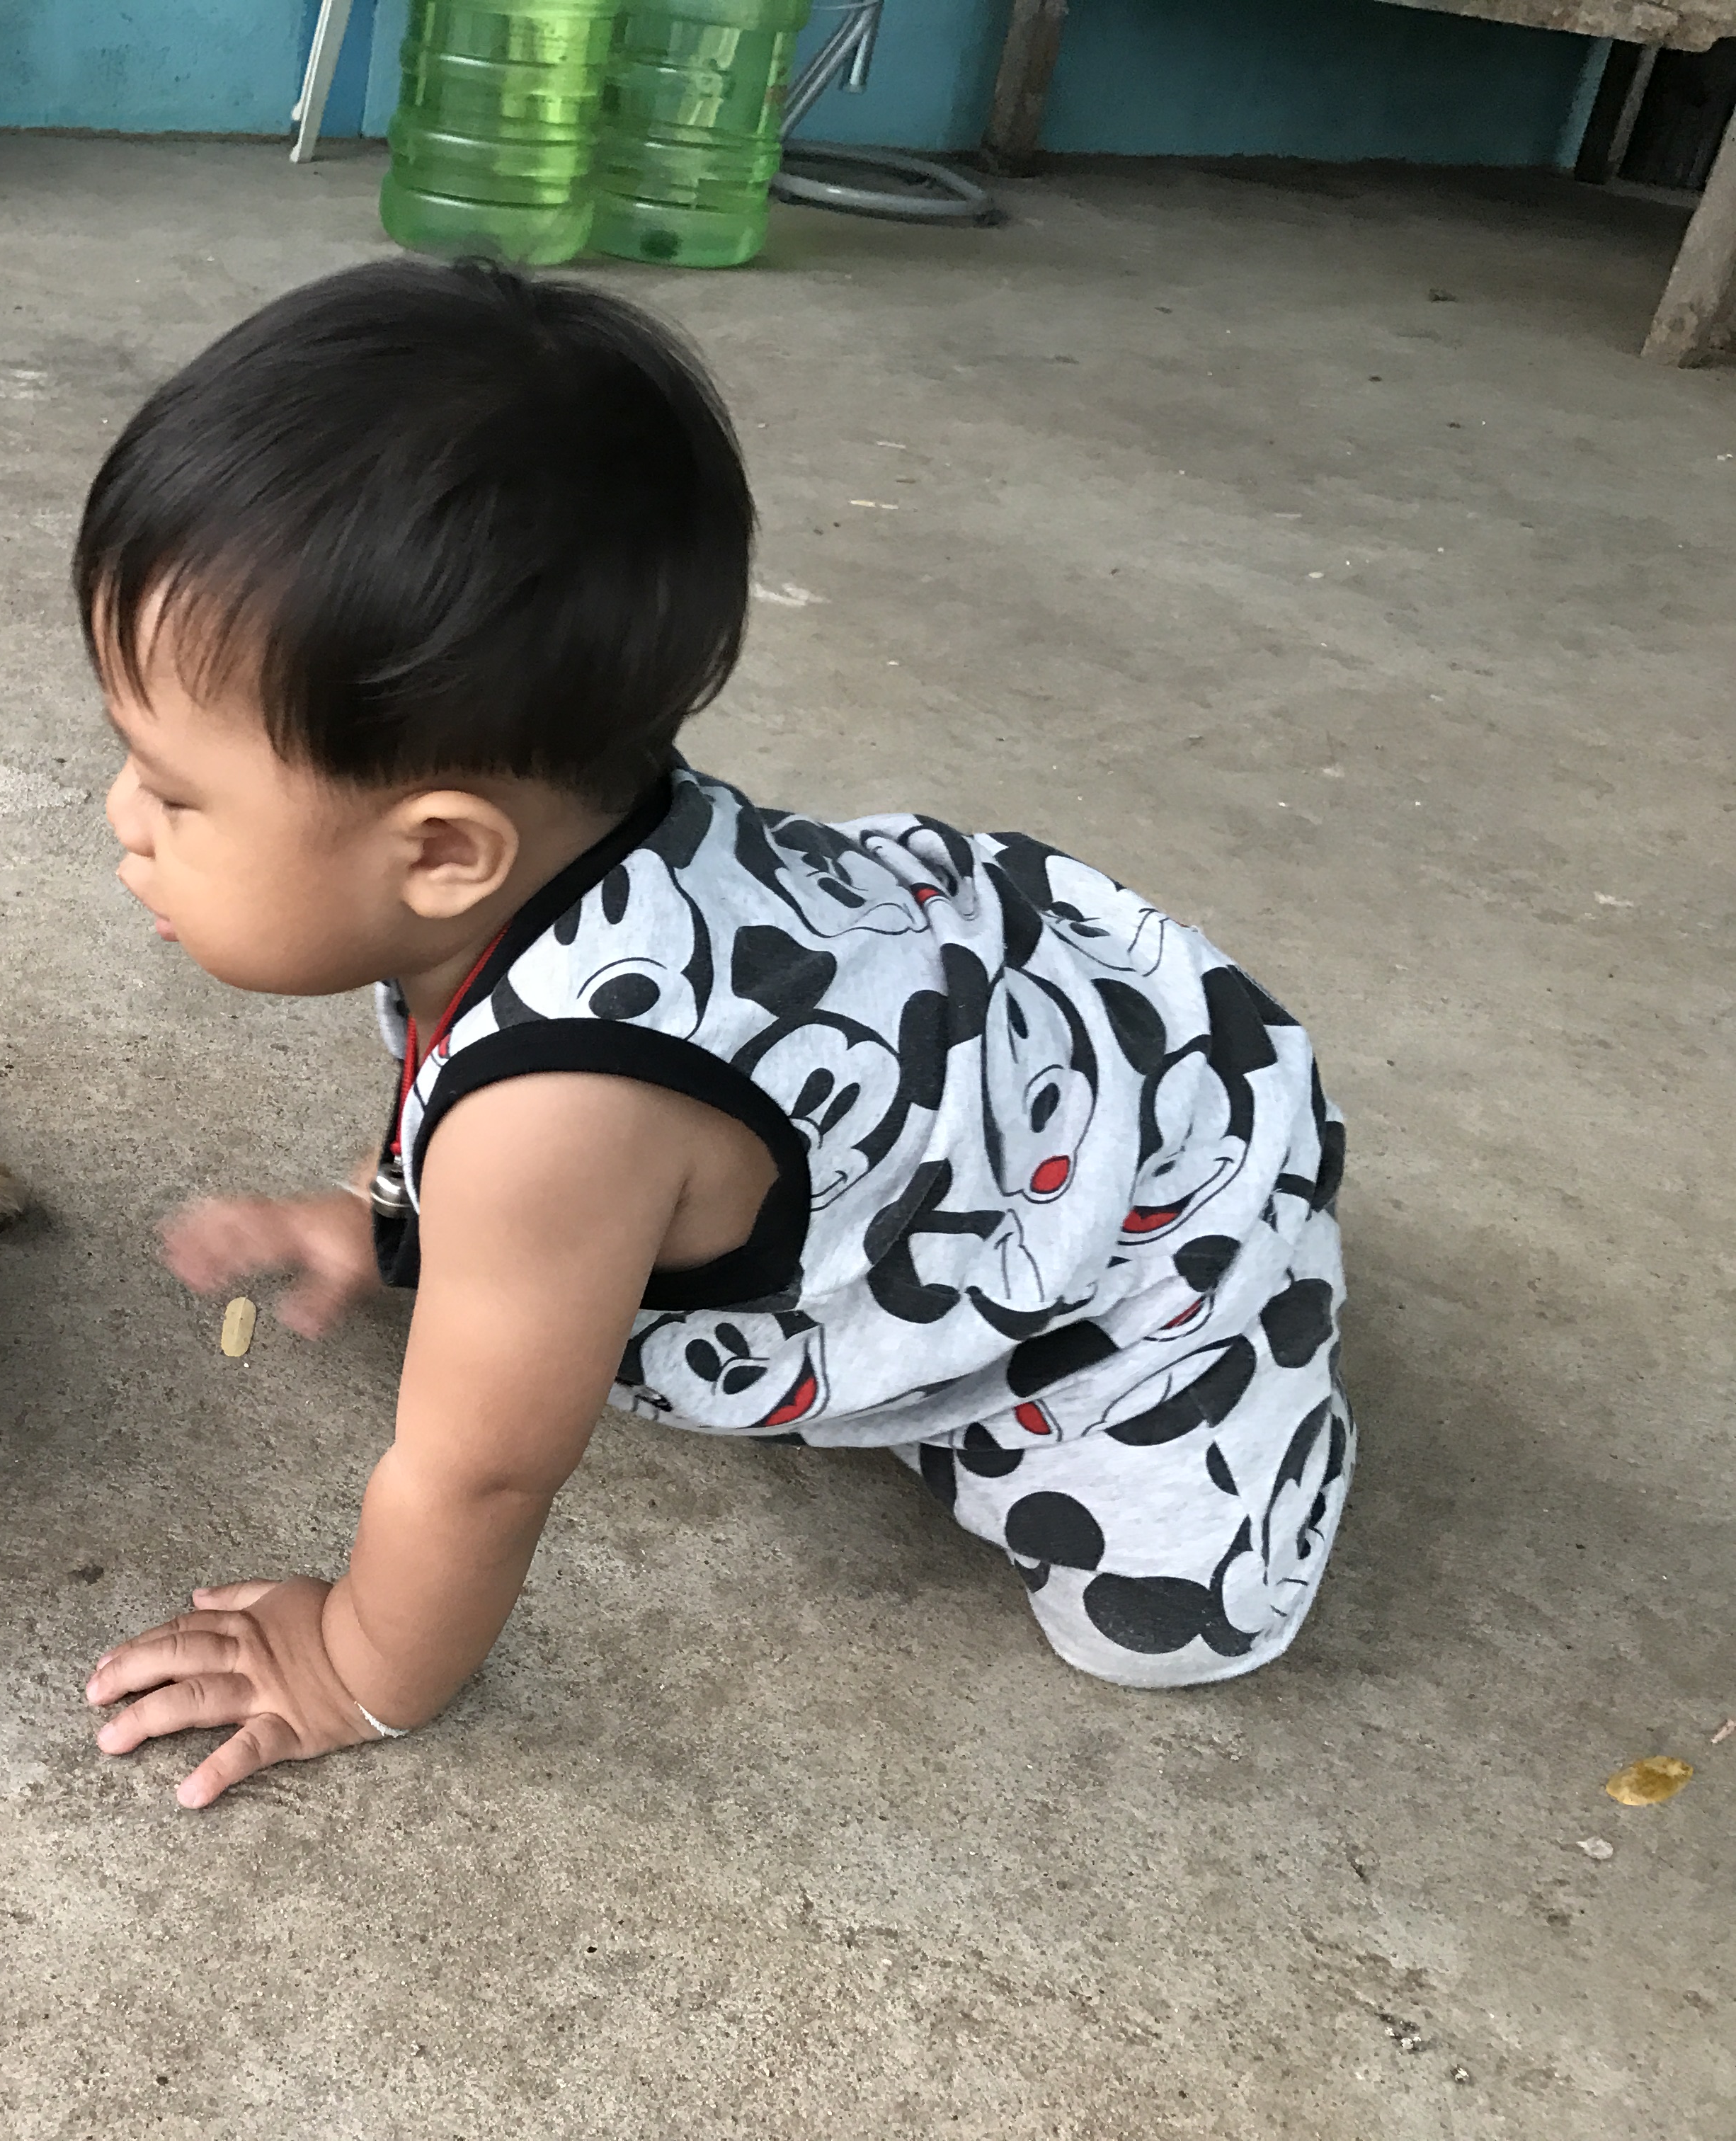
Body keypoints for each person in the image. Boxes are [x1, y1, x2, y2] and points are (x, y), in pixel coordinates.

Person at [76, 258, 1352, 1810]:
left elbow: (483, 1468)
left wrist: (354, 1663)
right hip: (1016, 1041)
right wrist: (384, 1205)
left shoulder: (559, 1116)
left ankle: (1217, 1363)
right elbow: (461, 1060)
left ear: (443, 852)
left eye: (175, 793)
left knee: (1172, 1626)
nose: (121, 817)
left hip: (1166, 1208)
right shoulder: (543, 855)